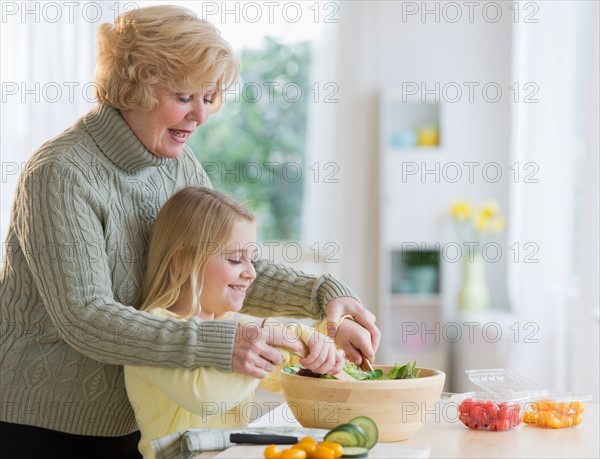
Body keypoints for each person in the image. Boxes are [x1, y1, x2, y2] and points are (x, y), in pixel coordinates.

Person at [0, 5, 380, 458]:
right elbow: (87, 319)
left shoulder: (178, 164)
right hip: (48, 422)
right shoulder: (61, 173)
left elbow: (223, 263)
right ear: (130, 89)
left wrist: (322, 295)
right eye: (183, 97)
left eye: (209, 96)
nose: (201, 115)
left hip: (135, 418)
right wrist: (225, 341)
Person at [125, 186, 354, 458]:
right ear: (183, 260)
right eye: (235, 259)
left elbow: (291, 369)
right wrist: (278, 338)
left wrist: (322, 346)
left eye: (252, 259)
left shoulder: (231, 323)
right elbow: (207, 398)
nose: (251, 273)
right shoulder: (149, 332)